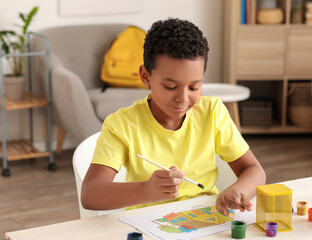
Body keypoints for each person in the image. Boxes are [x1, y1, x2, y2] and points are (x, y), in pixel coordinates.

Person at [81, 18, 266, 216]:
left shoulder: (212, 112)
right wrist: (146, 191)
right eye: (170, 86)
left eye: (194, 87)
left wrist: (236, 191)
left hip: (206, 220)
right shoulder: (122, 125)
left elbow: (254, 170)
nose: (183, 98)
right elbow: (91, 194)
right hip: (147, 224)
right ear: (146, 77)